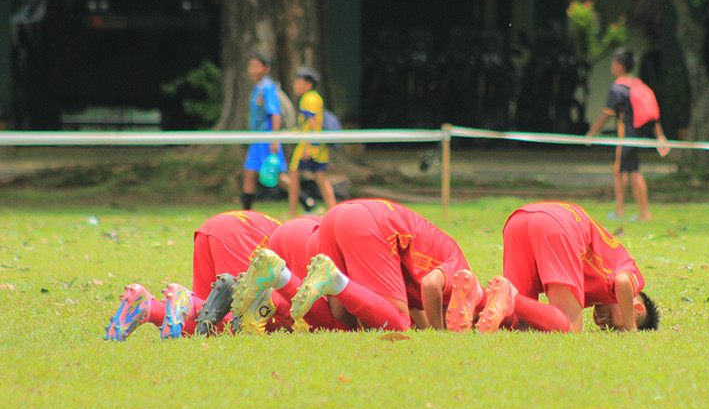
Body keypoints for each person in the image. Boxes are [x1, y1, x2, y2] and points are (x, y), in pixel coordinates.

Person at [235, 199, 479, 332]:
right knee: (398, 325)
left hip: (330, 219)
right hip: (365, 223)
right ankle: (332, 280)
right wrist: (438, 333)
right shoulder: (462, 273)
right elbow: (429, 285)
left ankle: (279, 278)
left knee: (342, 327)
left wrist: (425, 327)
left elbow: (415, 297)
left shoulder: (443, 256)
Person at [453, 201, 660, 334]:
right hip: (560, 226)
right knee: (570, 328)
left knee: (521, 322)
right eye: (615, 326)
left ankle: (477, 295)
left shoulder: (597, 291)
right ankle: (510, 297)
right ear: (637, 308)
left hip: (521, 218)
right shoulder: (631, 277)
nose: (603, 325)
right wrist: (631, 330)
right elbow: (623, 283)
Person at [104, 210, 282, 340]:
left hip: (216, 227)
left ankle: (146, 306)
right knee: (248, 320)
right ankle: (180, 300)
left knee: (206, 320)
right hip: (241, 232)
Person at [586, 47, 669, 222]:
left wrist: (592, 133)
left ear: (619, 65)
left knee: (619, 172)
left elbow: (607, 114)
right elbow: (653, 116)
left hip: (626, 136)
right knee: (633, 172)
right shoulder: (639, 85)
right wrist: (660, 136)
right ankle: (643, 213)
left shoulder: (618, 89)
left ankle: (621, 211)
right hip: (638, 135)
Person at [286, 66, 336, 220]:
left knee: (293, 176)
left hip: (307, 146)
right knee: (321, 178)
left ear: (308, 84)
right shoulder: (315, 98)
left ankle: (292, 213)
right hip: (318, 146)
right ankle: (333, 211)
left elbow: (313, 123)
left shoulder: (308, 99)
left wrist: (308, 146)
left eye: (298, 82)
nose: (295, 86)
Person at [241, 51, 287, 211]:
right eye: (250, 67)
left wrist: (274, 139)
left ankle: (306, 201)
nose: (252, 70)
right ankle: (246, 213)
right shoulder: (258, 88)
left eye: (256, 67)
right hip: (257, 138)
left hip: (267, 138)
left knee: (278, 175)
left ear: (266, 69)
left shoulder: (268, 88)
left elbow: (275, 113)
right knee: (249, 172)